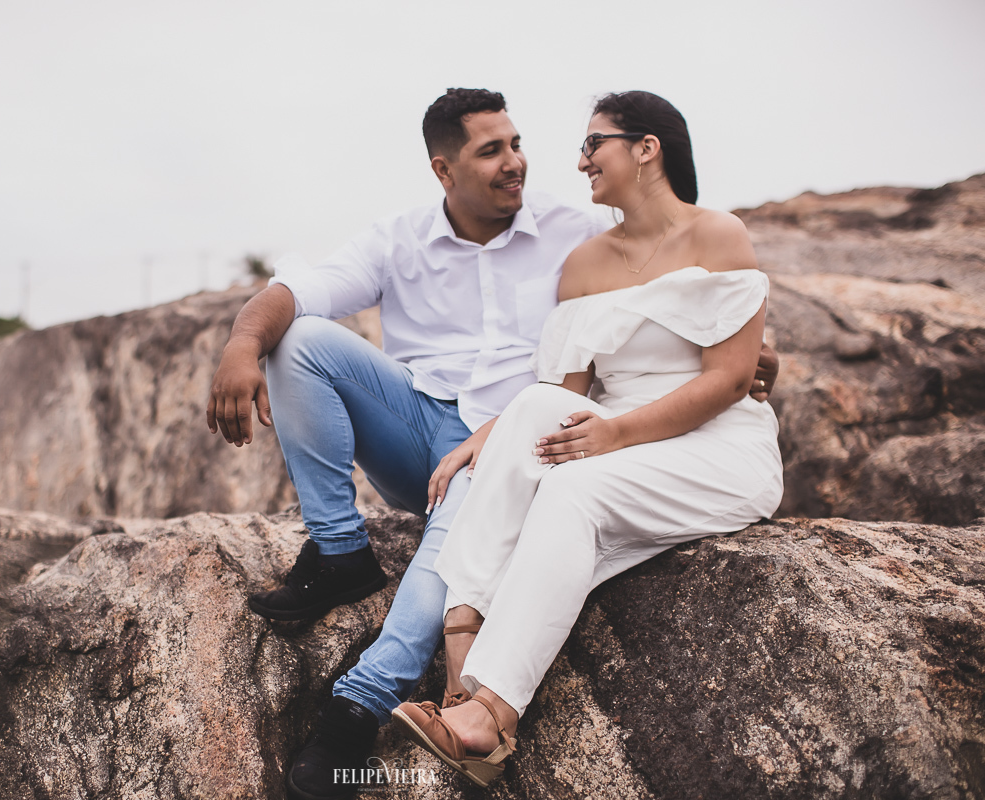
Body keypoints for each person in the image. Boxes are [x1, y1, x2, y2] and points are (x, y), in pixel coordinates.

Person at [206, 88, 778, 800]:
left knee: (518, 467)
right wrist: (242, 341)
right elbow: (309, 285)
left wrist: (748, 356)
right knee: (299, 341)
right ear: (445, 171)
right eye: (492, 151)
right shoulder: (415, 239)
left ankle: (375, 705)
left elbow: (696, 321)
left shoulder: (583, 229)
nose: (523, 163)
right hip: (426, 427)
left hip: (555, 437)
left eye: (518, 144)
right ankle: (340, 551)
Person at [390, 90, 784, 788]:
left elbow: (728, 381)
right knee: (534, 410)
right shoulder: (584, 264)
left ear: (645, 147)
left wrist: (615, 433)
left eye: (593, 144)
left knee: (574, 490)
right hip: (619, 436)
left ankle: (489, 715)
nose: (578, 163)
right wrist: (492, 434)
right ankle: (463, 648)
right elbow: (561, 399)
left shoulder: (717, 236)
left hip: (715, 444)